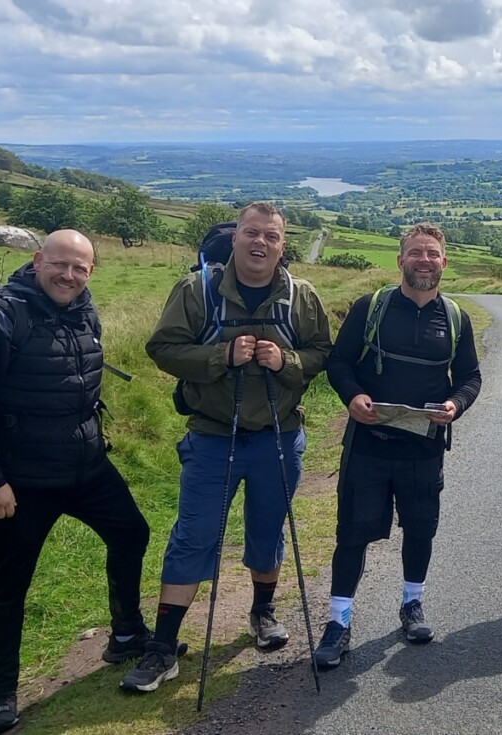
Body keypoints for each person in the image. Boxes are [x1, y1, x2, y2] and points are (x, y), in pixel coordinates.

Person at [0, 229, 151, 735]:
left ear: (90, 272)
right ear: (37, 261)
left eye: (80, 268)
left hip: (85, 466)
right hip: (21, 479)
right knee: (10, 585)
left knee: (132, 533)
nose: (69, 275)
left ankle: (126, 634)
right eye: (60, 264)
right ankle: (0, 696)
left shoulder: (83, 310)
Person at [120, 202, 332, 692]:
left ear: (283, 246)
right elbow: (163, 348)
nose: (261, 243)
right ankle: (163, 648)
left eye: (272, 237)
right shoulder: (197, 290)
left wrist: (286, 361)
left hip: (279, 436)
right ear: (235, 237)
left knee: (266, 529)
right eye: (251, 233)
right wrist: (221, 356)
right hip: (214, 435)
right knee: (193, 536)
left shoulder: (301, 296)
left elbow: (323, 352)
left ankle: (262, 613)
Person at [312, 222, 481, 669]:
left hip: (423, 448)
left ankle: (412, 605)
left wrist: (455, 404)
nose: (423, 261)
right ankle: (339, 622)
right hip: (369, 443)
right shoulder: (372, 307)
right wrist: (352, 397)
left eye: (432, 254)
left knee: (421, 528)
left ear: (444, 262)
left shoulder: (456, 318)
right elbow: (339, 361)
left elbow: (470, 378)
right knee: (352, 533)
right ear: (400, 260)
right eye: (415, 253)